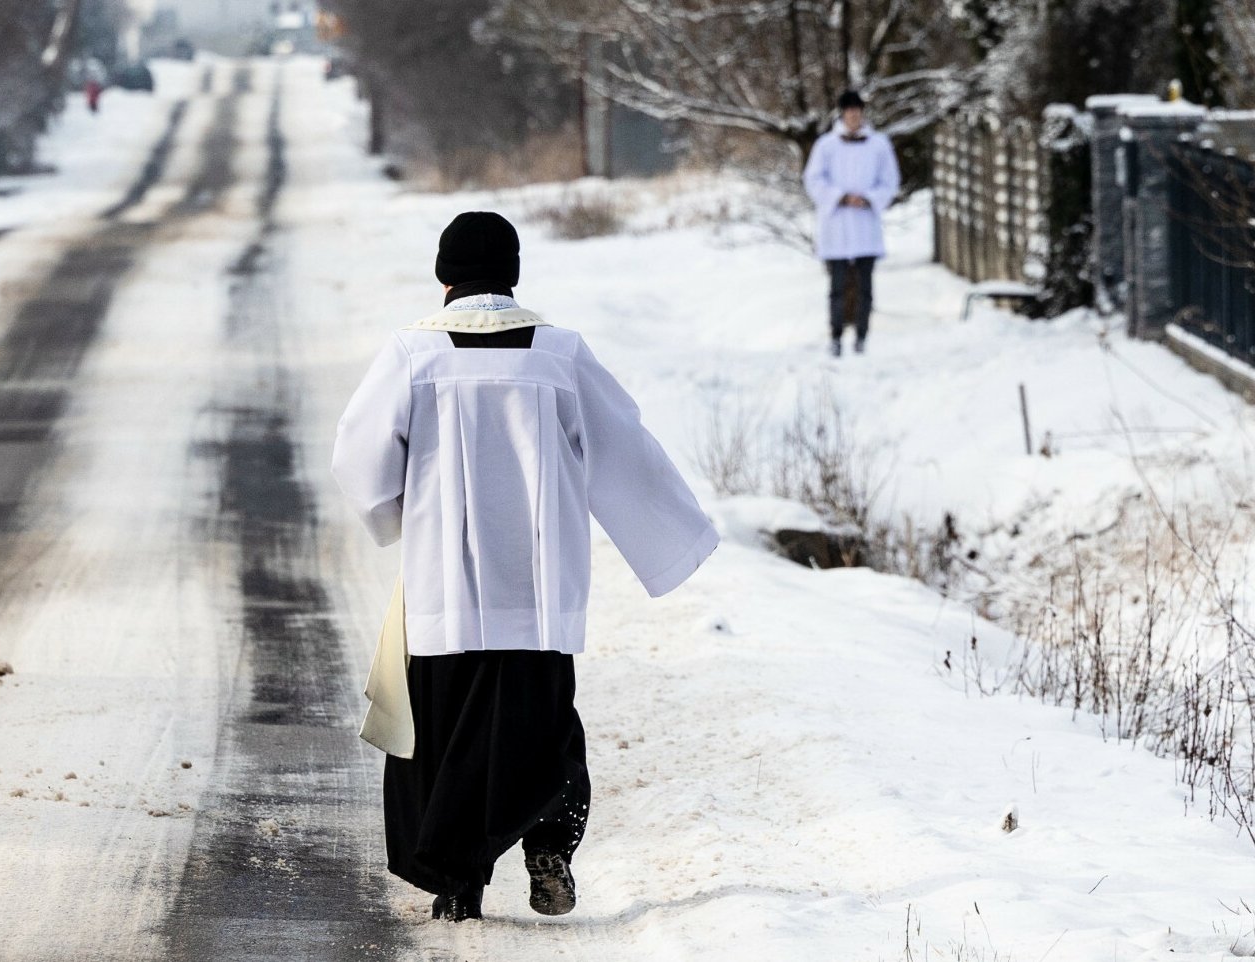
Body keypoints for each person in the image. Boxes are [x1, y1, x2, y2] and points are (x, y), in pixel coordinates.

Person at [332, 212, 719, 922]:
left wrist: (396, 515)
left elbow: (359, 459)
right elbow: (622, 449)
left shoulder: (413, 354)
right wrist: (674, 540)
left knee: (446, 737)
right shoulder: (559, 354)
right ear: (513, 274)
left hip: (445, 591)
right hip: (539, 594)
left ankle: (459, 881)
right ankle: (548, 842)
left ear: (444, 277)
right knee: (541, 729)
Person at [803, 90, 901, 356]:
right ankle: (836, 335)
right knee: (837, 287)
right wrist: (840, 197)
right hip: (836, 226)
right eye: (849, 111)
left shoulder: (879, 145)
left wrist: (868, 199)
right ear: (843, 114)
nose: (853, 116)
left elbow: (890, 180)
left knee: (865, 287)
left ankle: (861, 335)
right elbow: (813, 180)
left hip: (865, 225)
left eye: (857, 111)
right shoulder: (826, 145)